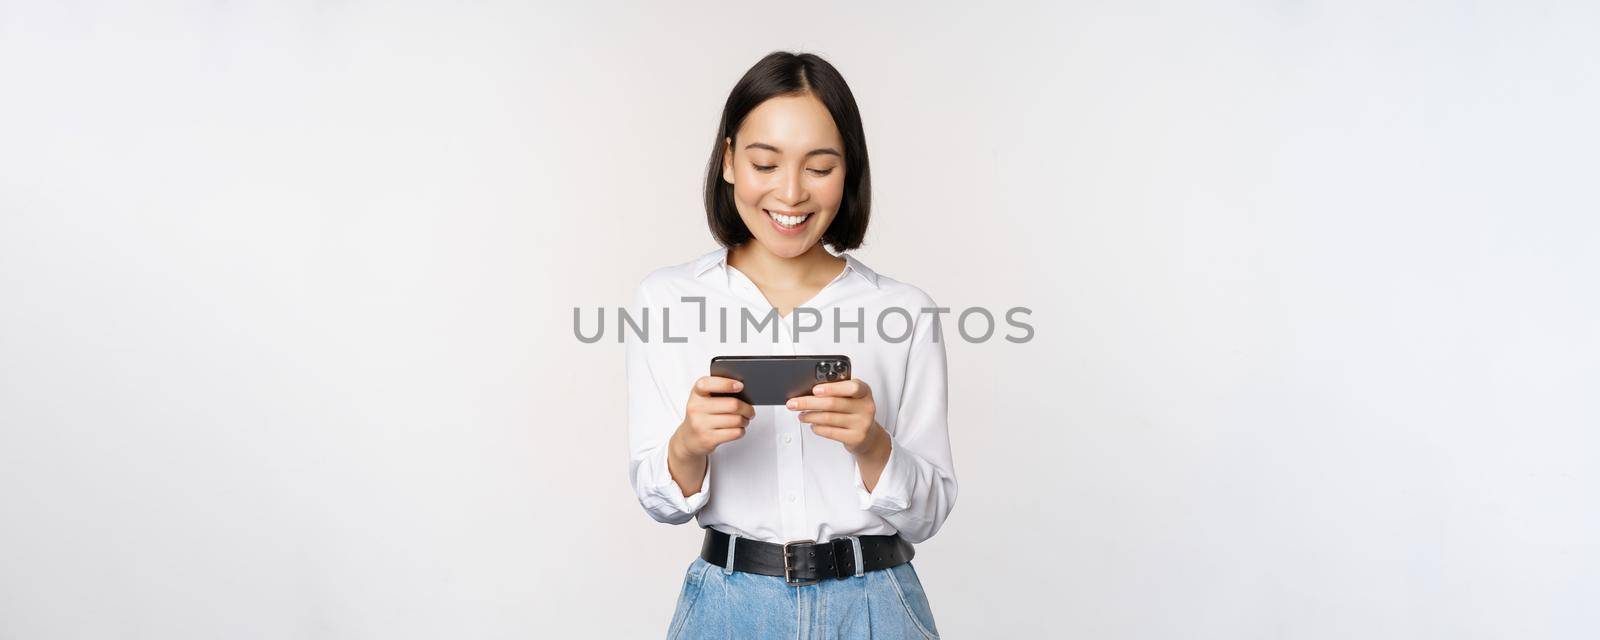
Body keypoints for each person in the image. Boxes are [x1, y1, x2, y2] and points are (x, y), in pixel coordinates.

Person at [626, 51, 957, 639]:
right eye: (765, 162)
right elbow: (659, 500)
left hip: (876, 606)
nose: (791, 192)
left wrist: (873, 444)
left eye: (820, 167)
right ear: (729, 162)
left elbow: (929, 514)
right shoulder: (667, 298)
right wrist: (689, 443)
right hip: (728, 608)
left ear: (848, 171)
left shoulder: (903, 312)